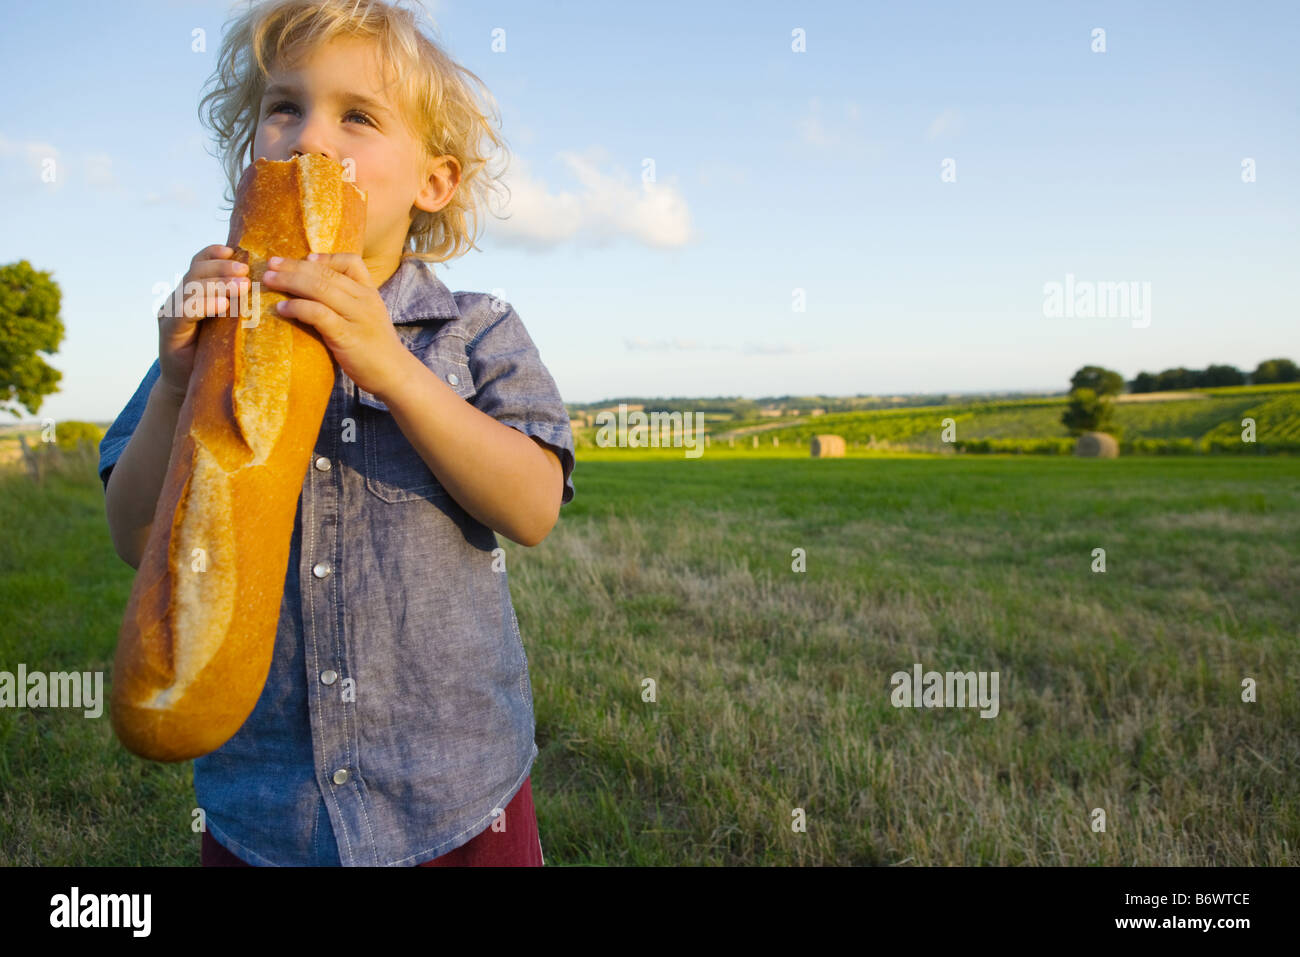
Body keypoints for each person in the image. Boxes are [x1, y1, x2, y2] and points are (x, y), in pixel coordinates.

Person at [98, 0, 574, 866]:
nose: (311, 138)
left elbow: (534, 505)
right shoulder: (208, 340)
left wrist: (389, 364)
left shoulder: (476, 328)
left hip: (454, 798)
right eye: (284, 107)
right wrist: (174, 385)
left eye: (357, 115)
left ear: (435, 182)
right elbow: (136, 538)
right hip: (268, 812)